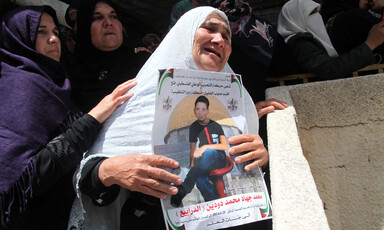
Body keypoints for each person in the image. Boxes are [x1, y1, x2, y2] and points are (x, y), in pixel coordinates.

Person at [68, 6, 280, 230]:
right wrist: (107, 170)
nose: (220, 39)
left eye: (227, 36)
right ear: (184, 35)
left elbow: (249, 171)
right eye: (209, 28)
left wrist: (260, 158)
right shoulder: (142, 95)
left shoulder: (240, 105)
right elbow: (87, 177)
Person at [0, 5, 137, 230]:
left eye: (55, 32)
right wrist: (93, 118)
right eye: (41, 32)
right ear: (19, 38)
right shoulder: (20, 88)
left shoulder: (56, 82)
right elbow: (21, 179)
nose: (53, 39)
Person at [68, 0, 150, 113]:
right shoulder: (72, 77)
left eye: (113, 16)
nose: (108, 22)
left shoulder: (145, 62)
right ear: (84, 27)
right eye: (97, 18)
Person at [277, 0, 384, 79]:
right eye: (311, 13)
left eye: (316, 12)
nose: (316, 17)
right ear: (295, 18)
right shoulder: (300, 43)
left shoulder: (304, 39)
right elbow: (329, 69)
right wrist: (369, 45)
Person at [170, 95, 228, 207]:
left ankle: (185, 188)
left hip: (219, 158)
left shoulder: (215, 125)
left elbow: (224, 145)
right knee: (200, 181)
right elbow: (192, 148)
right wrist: (193, 166)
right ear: (194, 110)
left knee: (209, 152)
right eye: (197, 109)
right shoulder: (194, 127)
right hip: (204, 161)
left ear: (207, 111)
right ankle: (214, 204)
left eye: (203, 109)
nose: (200, 112)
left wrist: (205, 147)